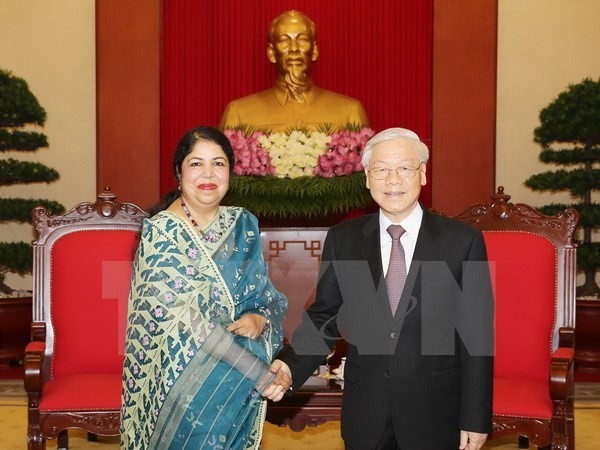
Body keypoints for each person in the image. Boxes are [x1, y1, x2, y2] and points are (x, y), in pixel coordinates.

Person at [267, 128, 494, 449]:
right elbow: (325, 318)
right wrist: (290, 367)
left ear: (423, 174)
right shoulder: (345, 239)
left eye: (404, 168)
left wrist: (475, 415)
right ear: (367, 178)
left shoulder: (461, 241)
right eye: (382, 169)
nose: (393, 180)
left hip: (435, 409)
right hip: (366, 410)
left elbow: (476, 333)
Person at [120, 126, 290, 450]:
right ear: (178, 173)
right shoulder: (161, 234)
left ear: (231, 171)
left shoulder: (243, 224)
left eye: (219, 163)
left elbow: (263, 296)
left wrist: (258, 318)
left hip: (237, 369)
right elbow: (191, 326)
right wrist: (259, 373)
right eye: (196, 163)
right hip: (180, 382)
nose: (208, 173)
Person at [219, 10, 369, 132]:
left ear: (315, 50)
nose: (294, 49)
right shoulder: (238, 112)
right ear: (271, 52)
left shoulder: (350, 111)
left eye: (302, 39)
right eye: (284, 40)